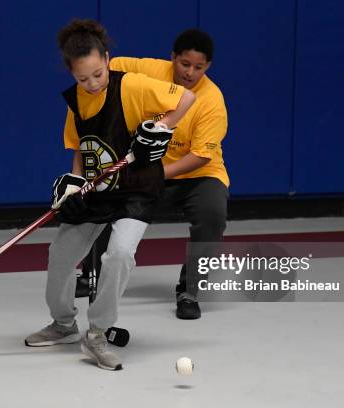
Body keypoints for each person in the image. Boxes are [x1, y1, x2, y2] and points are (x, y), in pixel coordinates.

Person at [24, 19, 195, 371]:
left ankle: (97, 333)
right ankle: (64, 324)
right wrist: (73, 181)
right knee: (60, 256)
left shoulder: (131, 86)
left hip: (136, 190)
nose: (91, 83)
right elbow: (81, 148)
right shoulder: (76, 101)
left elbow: (186, 98)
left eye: (98, 74)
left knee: (118, 255)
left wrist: (162, 127)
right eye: (82, 78)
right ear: (71, 74)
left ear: (107, 59)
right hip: (98, 188)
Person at [78, 29, 229, 320]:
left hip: (196, 175)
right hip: (149, 168)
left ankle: (190, 290)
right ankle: (91, 274)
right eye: (184, 63)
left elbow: (199, 156)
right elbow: (108, 68)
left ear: (208, 67)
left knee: (213, 214)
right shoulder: (149, 71)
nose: (189, 72)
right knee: (106, 197)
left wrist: (154, 174)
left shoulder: (212, 100)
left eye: (199, 67)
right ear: (173, 57)